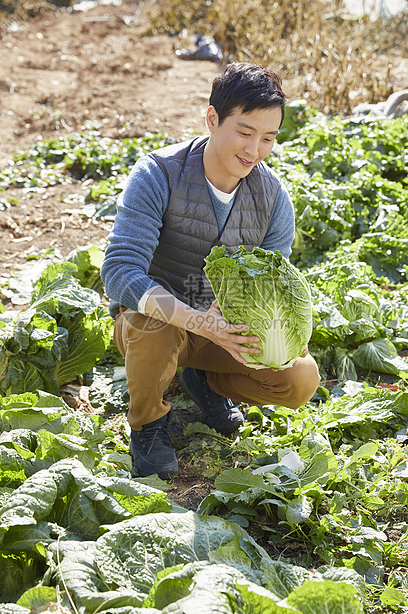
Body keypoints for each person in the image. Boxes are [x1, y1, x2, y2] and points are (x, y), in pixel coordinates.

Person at [101, 62, 320, 480]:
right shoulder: (157, 174)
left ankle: (205, 380)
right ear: (212, 118)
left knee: (300, 378)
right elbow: (119, 270)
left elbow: (278, 284)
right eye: (244, 131)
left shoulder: (273, 198)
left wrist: (240, 325)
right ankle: (147, 424)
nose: (254, 149)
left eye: (268, 138)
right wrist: (198, 320)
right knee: (154, 327)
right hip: (157, 325)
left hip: (224, 330)